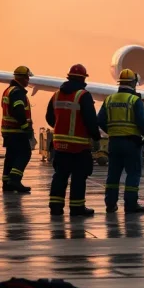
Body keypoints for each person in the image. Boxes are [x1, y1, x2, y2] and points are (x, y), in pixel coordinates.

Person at [45, 64, 102, 217]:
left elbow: (49, 118)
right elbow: (91, 120)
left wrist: (60, 128)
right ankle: (77, 208)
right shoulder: (83, 96)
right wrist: (96, 137)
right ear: (83, 79)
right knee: (78, 177)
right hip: (79, 147)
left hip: (59, 146)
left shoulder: (56, 95)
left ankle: (55, 208)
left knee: (60, 176)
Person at [97, 69, 144, 214]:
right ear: (133, 83)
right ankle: (130, 204)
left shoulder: (109, 99)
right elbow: (143, 122)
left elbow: (100, 120)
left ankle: (110, 204)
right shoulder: (134, 100)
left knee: (113, 174)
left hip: (114, 142)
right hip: (131, 143)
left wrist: (113, 131)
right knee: (133, 173)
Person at [1, 66, 35, 192]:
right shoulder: (18, 92)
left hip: (8, 130)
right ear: (22, 78)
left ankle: (6, 182)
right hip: (16, 131)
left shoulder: (8, 90)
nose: (28, 81)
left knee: (11, 156)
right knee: (25, 153)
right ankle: (15, 179)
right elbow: (18, 111)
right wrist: (26, 127)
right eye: (27, 78)